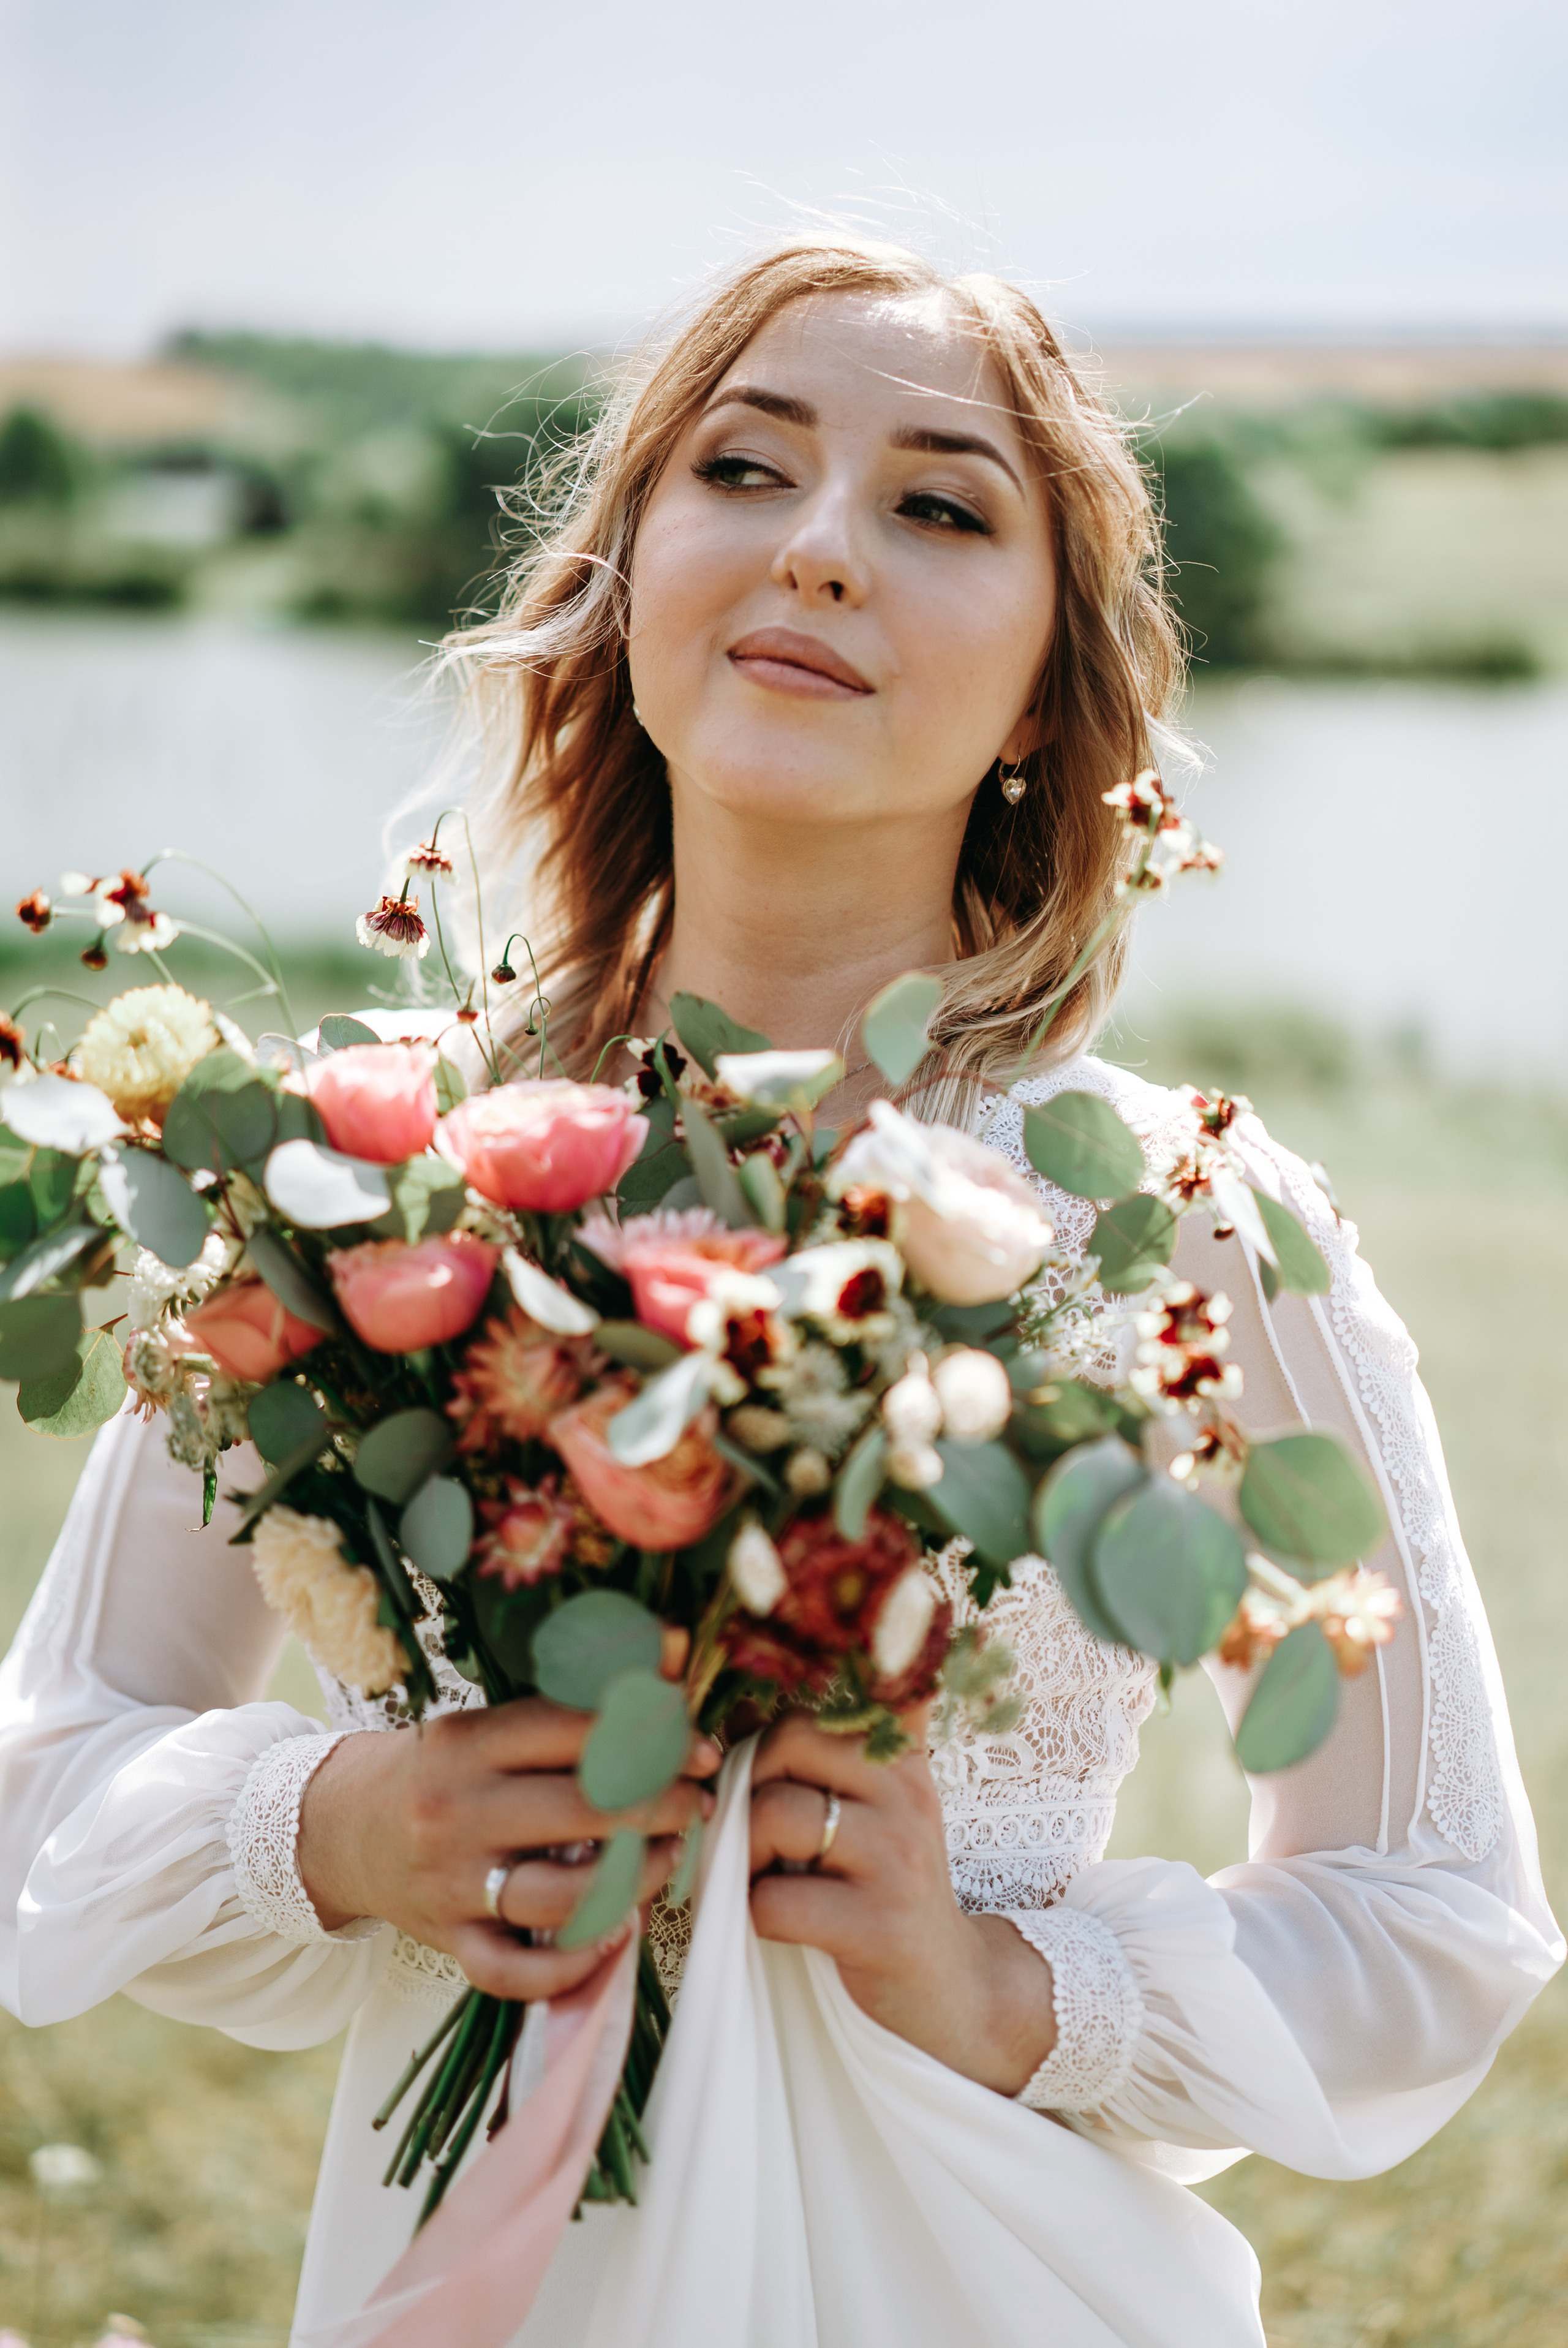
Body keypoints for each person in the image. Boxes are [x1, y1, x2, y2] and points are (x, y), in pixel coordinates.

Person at [0, 235, 1559, 2348]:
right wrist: (348, 1822)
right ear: (625, 571)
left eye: (939, 507)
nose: (821, 545)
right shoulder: (354, 1175)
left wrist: (1010, 1983)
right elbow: (47, 1766)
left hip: (985, 2279)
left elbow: (1434, 1904)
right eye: (745, 468)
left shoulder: (1184, 1218)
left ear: (1045, 694)